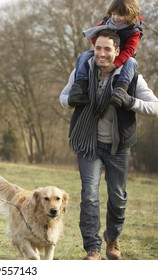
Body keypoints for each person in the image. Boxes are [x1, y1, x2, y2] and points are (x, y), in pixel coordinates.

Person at [59, 29, 158, 260]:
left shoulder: (131, 76)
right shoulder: (83, 70)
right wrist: (71, 100)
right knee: (89, 196)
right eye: (97, 49)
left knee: (118, 196)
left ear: (117, 51)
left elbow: (155, 107)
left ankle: (112, 238)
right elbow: (62, 98)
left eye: (107, 49)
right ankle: (92, 249)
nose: (101, 54)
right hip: (88, 144)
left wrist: (130, 102)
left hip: (118, 147)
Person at [68, 0, 142, 107]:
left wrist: (114, 64)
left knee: (132, 62)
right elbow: (94, 34)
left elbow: (129, 51)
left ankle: (120, 89)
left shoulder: (134, 31)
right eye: (114, 14)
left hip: (123, 57)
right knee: (84, 56)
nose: (116, 18)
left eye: (120, 15)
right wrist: (100, 47)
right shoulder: (107, 22)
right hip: (106, 53)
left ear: (130, 14)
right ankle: (79, 86)